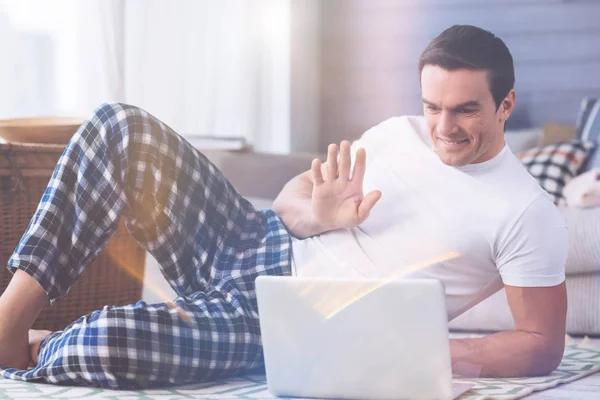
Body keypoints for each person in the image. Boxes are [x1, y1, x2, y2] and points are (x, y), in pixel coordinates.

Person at [0, 24, 567, 389]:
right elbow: (293, 200)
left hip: (293, 319)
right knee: (120, 126)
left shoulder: (526, 213)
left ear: (505, 104)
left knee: (112, 343)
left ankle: (43, 347)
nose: (443, 128)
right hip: (255, 236)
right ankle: (9, 320)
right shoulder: (397, 133)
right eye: (432, 106)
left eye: (465, 110)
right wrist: (320, 214)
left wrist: (421, 349)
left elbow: (541, 346)